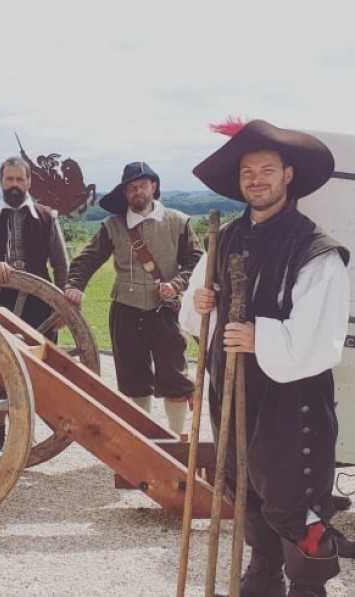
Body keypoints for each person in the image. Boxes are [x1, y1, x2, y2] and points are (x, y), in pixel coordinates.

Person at [182, 120, 349, 596]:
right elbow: (196, 311)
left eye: (267, 170)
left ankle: (308, 585)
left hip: (291, 399)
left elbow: (322, 336)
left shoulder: (314, 249)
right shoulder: (226, 239)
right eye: (248, 172)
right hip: (233, 388)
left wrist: (263, 338)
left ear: (288, 175)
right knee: (244, 484)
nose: (256, 180)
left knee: (294, 496)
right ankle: (263, 572)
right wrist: (200, 303)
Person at [64, 162, 202, 435]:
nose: (137, 191)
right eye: (131, 188)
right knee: (134, 382)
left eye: (141, 185)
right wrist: (75, 285)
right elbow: (87, 259)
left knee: (175, 379)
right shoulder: (112, 226)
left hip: (166, 311)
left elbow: (196, 260)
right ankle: (143, 443)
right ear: (125, 193)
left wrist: (176, 284)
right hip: (126, 312)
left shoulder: (178, 221)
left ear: (154, 186)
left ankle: (176, 442)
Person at [0, 155, 70, 448]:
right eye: (9, 179)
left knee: (37, 369)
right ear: (0, 182)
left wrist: (62, 308)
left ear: (29, 182)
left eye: (20, 179)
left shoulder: (47, 217)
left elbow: (61, 265)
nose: (15, 184)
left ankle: (25, 428)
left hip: (38, 306)